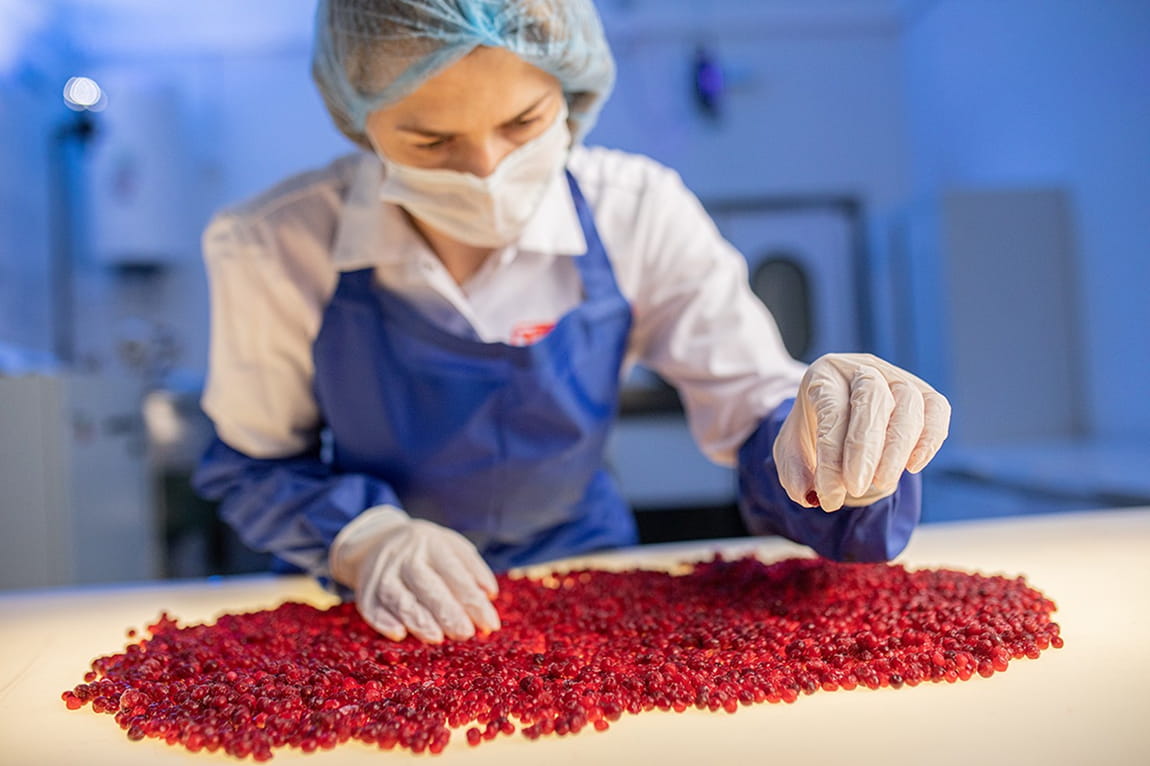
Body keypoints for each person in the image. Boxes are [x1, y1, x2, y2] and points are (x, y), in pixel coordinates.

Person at [193, 0, 950, 645]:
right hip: (371, 602)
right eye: (430, 141)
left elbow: (754, 408)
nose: (486, 170)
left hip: (583, 575)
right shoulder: (275, 243)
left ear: (570, 92)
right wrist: (364, 541)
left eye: (523, 122)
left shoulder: (636, 210)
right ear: (360, 123)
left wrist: (826, 445)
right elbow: (255, 464)